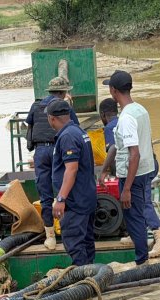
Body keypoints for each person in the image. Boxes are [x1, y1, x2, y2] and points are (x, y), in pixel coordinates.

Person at [98, 70, 159, 266]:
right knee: (139, 216)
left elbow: (134, 153)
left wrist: (125, 189)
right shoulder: (141, 109)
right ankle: (143, 259)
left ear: (113, 91)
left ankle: (142, 263)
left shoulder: (125, 118)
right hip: (146, 171)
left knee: (134, 219)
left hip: (133, 175)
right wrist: (106, 169)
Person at [101, 97, 160, 256]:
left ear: (103, 115)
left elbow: (114, 149)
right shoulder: (132, 115)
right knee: (136, 203)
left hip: (138, 168)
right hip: (149, 163)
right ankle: (136, 235)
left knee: (143, 201)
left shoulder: (112, 126)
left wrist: (105, 170)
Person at [24, 77, 79, 250]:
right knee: (64, 190)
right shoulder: (64, 107)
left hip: (40, 152)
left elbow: (29, 126)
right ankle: (67, 232)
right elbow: (74, 127)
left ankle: (50, 237)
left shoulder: (36, 106)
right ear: (63, 93)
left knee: (45, 194)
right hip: (59, 150)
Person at [47, 99, 97, 266]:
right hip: (86, 196)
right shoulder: (78, 131)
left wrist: (60, 199)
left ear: (52, 118)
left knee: (74, 242)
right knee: (86, 241)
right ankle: (92, 275)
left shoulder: (67, 136)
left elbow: (71, 169)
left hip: (76, 201)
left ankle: (84, 279)